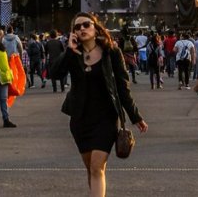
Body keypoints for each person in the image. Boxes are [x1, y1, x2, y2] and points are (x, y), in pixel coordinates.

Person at [49, 12, 147, 197]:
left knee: (97, 167)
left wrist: (135, 116)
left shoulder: (112, 53)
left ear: (96, 28)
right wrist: (69, 51)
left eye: (86, 24)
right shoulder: (73, 54)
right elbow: (54, 74)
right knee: (90, 168)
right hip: (80, 119)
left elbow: (122, 87)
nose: (82, 29)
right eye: (77, 27)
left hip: (106, 118)